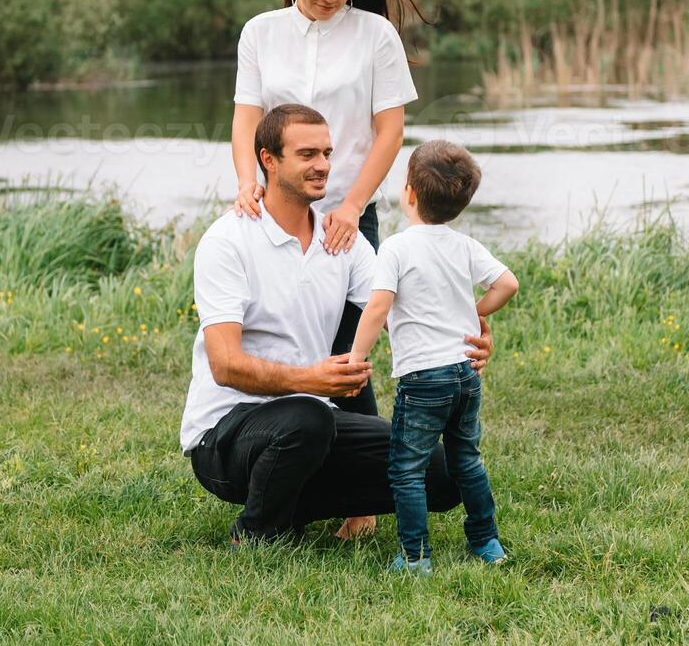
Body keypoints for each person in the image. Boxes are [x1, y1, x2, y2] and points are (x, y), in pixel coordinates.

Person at [183, 105, 493, 546]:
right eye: (307, 154)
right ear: (268, 160)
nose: (324, 165)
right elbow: (225, 365)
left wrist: (469, 342)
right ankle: (254, 532)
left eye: (327, 153)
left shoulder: (342, 240)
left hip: (313, 424)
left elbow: (407, 314)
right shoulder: (228, 240)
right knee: (308, 417)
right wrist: (311, 379)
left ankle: (290, 506)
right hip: (224, 434)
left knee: (444, 473)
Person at [228, 0, 428, 537]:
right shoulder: (260, 33)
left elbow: (389, 130)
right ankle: (276, 465)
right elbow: (246, 119)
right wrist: (246, 182)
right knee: (280, 338)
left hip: (345, 211)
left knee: (348, 345)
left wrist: (351, 207)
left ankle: (361, 499)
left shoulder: (375, 36)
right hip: (272, 208)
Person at [345, 140, 521, 574]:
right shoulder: (464, 246)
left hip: (423, 378)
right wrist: (473, 314)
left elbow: (378, 307)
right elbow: (507, 284)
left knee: (406, 468)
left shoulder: (397, 248)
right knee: (467, 459)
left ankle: (415, 556)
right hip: (465, 374)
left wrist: (356, 357)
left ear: (409, 193)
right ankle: (486, 541)